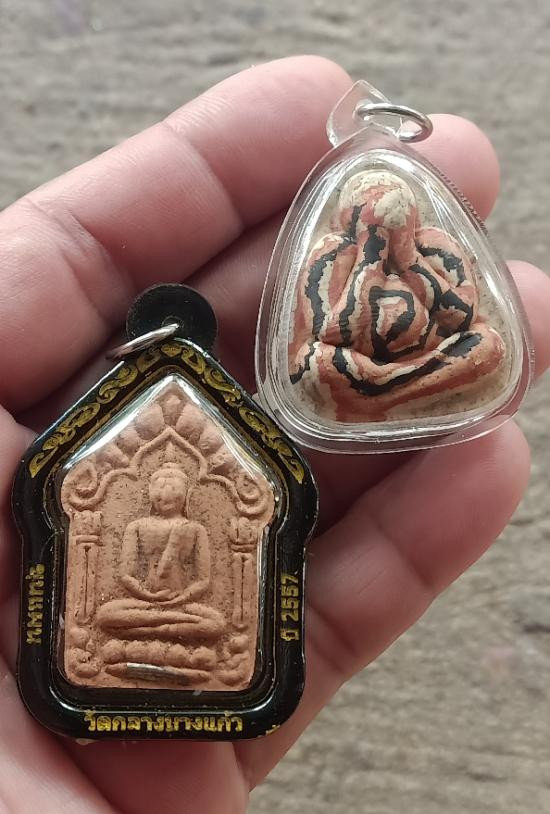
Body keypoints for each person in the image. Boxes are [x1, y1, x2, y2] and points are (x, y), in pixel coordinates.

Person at [0, 55, 548, 812]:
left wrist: (408, 339)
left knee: (483, 352)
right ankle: (381, 390)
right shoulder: (332, 261)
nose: (383, 236)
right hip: (345, 377)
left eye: (395, 226)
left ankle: (387, 390)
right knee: (139, 611)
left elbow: (466, 330)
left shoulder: (438, 257)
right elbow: (325, 342)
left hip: (417, 369)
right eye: (373, 225)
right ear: (356, 222)